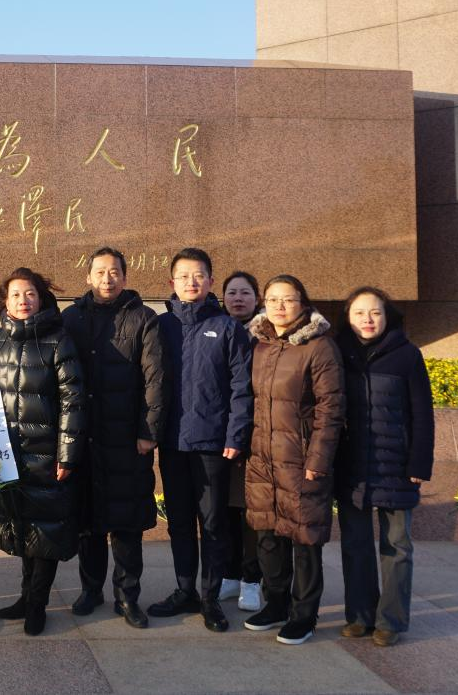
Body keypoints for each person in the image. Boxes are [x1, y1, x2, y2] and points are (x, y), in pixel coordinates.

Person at [61, 247, 166, 628]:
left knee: (126, 522)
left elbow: (155, 379)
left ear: (125, 276)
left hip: (126, 438)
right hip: (85, 436)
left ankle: (127, 596)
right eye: (100, 272)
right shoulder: (71, 318)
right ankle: (91, 590)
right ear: (88, 276)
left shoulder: (143, 318)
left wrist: (147, 432)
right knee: (88, 522)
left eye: (114, 272)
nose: (107, 278)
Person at [150, 248, 253, 632]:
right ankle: (184, 590)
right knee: (178, 522)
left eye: (199, 276)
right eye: (183, 276)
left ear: (211, 281)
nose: (191, 282)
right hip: (172, 442)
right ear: (171, 282)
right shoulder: (160, 326)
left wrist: (235, 434)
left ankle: (210, 598)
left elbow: (242, 387)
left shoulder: (227, 328)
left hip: (212, 443)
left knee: (212, 523)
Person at [243, 275, 345, 646]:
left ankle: (304, 615)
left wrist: (318, 458)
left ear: (303, 302)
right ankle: (275, 603)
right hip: (263, 457)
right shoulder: (260, 344)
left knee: (304, 538)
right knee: (268, 535)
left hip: (301, 459)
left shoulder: (319, 346)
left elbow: (331, 408)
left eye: (287, 299)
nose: (279, 306)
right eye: (272, 299)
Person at [0, 267, 87, 636]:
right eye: (15, 294)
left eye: (30, 293)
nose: (23, 301)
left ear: (41, 298)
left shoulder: (58, 341)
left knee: (46, 532)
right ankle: (25, 596)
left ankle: (37, 605)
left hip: (45, 455)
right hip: (8, 454)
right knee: (22, 527)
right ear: (4, 300)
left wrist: (67, 454)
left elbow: (73, 400)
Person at [334, 287, 434, 647]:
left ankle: (390, 620)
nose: (367, 319)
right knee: (355, 544)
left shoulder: (407, 354)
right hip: (351, 465)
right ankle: (360, 615)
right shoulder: (337, 351)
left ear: (387, 315)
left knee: (397, 546)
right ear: (348, 317)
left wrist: (419, 461)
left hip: (396, 464)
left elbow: (422, 413)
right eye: (359, 313)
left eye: (375, 312)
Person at [219, 270, 264, 613]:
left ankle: (252, 579)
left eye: (245, 292)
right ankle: (230, 573)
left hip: (258, 436)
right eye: (232, 292)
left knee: (251, 512)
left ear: (257, 298)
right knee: (226, 510)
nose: (238, 298)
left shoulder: (268, 335)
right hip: (222, 435)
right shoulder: (216, 330)